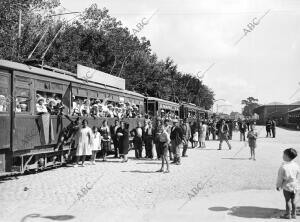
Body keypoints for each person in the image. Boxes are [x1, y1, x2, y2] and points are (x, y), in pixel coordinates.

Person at [276, 148, 300, 219]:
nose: (282, 156)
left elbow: (280, 178)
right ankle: (294, 214)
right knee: (293, 200)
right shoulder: (296, 165)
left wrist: (278, 186)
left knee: (288, 200)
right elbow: (298, 175)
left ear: (287, 156)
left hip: (287, 186)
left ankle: (288, 214)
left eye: (283, 155)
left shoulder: (283, 167)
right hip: (295, 185)